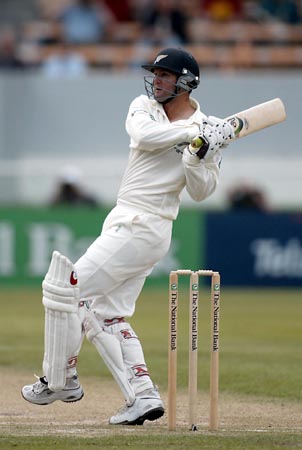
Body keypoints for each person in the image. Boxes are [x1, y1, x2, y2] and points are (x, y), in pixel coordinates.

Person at [21, 47, 234, 426]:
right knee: (105, 312)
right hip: (127, 220)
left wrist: (198, 155)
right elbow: (144, 137)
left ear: (185, 82)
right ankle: (143, 396)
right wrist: (194, 133)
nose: (156, 81)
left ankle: (60, 379)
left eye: (164, 75)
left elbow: (201, 191)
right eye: (154, 74)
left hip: (146, 224)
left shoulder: (209, 130)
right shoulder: (146, 108)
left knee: (66, 289)